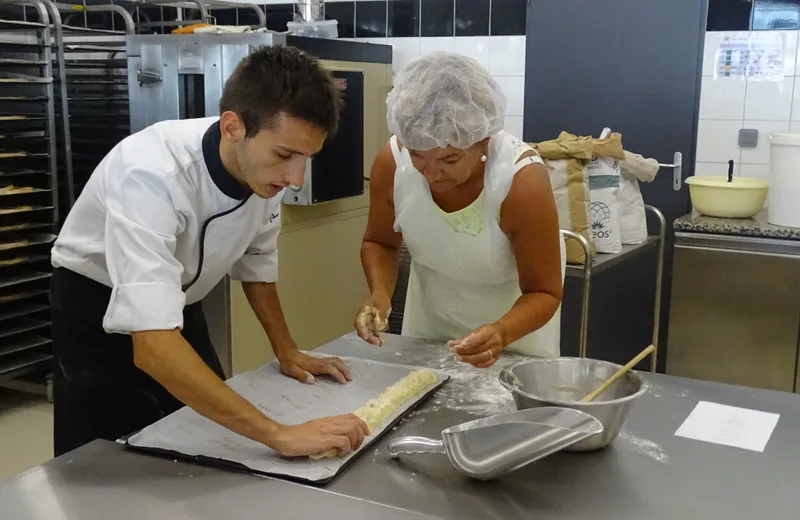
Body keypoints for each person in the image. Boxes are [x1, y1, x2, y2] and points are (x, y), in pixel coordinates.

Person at [50, 46, 368, 458]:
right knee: (102, 461)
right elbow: (151, 344)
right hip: (96, 310)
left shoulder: (263, 172)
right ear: (234, 126)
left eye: (307, 157)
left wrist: (287, 350)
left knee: (205, 438)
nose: (295, 177)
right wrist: (279, 435)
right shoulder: (150, 174)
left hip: (180, 304)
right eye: (285, 155)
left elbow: (256, 265)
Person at [355, 52, 565, 366]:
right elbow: (380, 242)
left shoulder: (519, 181)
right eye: (417, 155)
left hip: (515, 338)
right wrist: (380, 295)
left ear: (483, 141)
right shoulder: (393, 163)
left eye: (449, 159)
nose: (430, 172)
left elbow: (544, 292)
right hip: (427, 330)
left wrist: (501, 333)